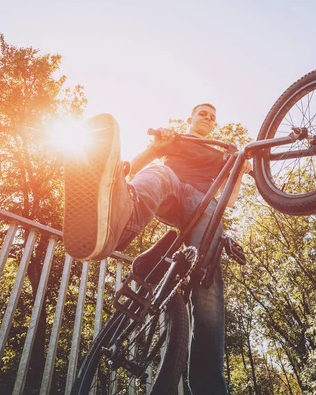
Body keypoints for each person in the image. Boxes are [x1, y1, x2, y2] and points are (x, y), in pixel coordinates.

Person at [63, 104, 251, 394]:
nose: (209, 118)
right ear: (190, 118)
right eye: (203, 113)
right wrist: (155, 149)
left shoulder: (222, 154)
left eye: (213, 117)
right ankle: (120, 221)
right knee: (159, 173)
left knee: (207, 285)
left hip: (206, 207)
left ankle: (208, 387)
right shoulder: (176, 138)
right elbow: (135, 170)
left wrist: (240, 172)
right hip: (174, 189)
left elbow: (229, 201)